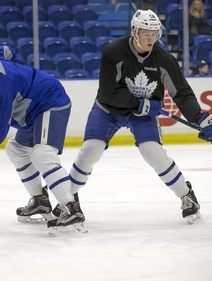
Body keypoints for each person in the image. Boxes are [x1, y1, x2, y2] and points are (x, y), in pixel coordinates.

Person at [68, 9, 212, 225]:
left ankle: (186, 195)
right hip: (108, 109)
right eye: (146, 33)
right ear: (134, 31)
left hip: (142, 114)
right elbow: (109, 92)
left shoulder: (164, 59)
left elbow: (181, 92)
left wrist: (199, 117)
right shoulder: (113, 52)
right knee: (91, 149)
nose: (151, 38)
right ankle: (68, 200)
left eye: (155, 33)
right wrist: (138, 103)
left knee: (152, 152)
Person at [0, 44, 87, 235]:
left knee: (42, 154)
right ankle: (40, 201)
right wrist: (21, 75)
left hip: (50, 101)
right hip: (33, 111)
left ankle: (71, 209)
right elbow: (7, 49)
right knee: (16, 149)